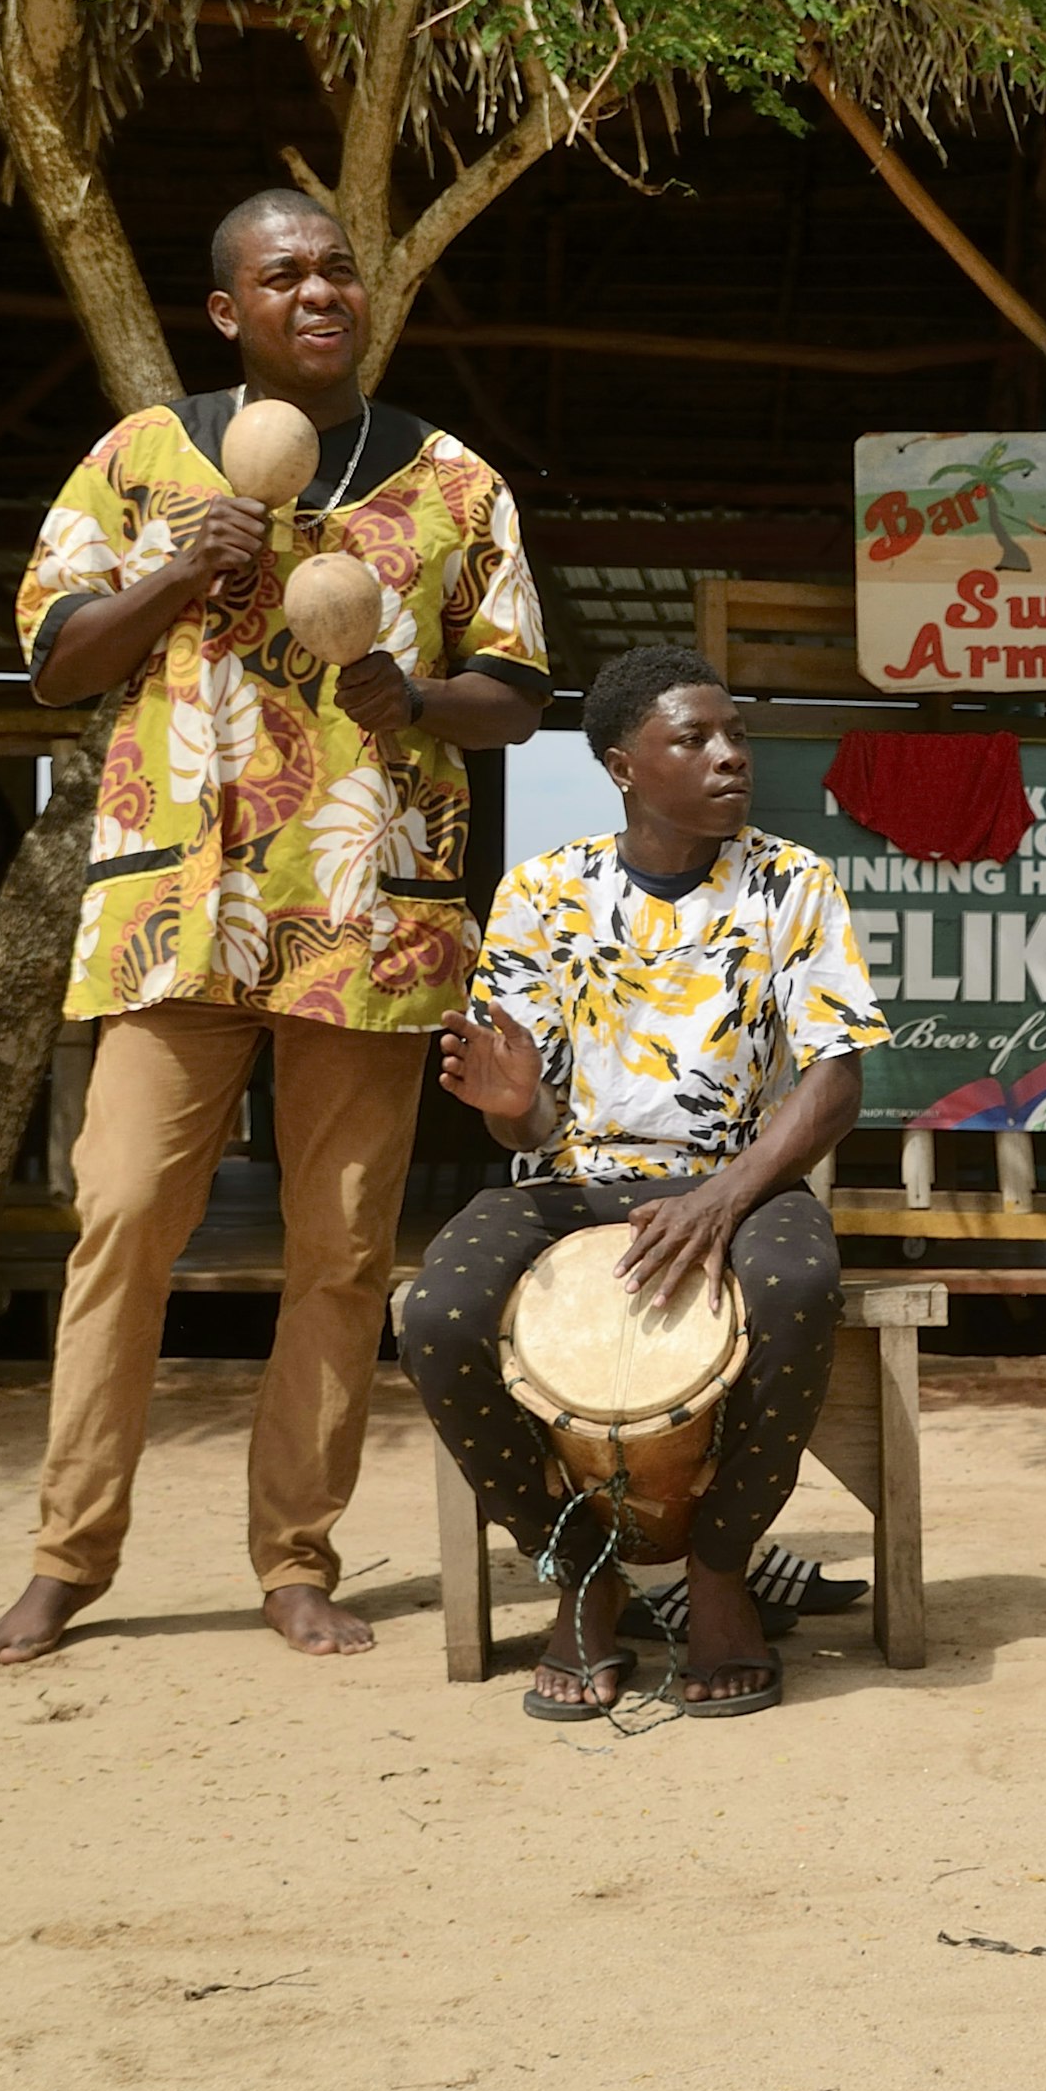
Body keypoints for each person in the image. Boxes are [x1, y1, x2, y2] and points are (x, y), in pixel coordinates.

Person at [0, 189, 549, 1666]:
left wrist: (417, 702)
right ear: (226, 311)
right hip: (181, 910)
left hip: (366, 910)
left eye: (338, 269)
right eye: (282, 273)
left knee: (342, 1247)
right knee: (121, 1220)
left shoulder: (451, 479)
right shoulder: (140, 459)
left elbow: (522, 689)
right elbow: (50, 661)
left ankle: (297, 1556)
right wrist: (177, 567)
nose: (320, 290)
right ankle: (68, 1553)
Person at [401, 648, 887, 1718]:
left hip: (743, 1181)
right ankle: (581, 1572)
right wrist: (512, 1104)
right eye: (695, 739)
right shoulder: (541, 892)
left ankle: (719, 1575)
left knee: (801, 1291)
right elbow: (526, 1118)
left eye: (736, 737)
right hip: (570, 1185)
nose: (730, 758)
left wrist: (724, 1199)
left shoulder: (791, 883)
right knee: (434, 1315)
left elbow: (835, 1081)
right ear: (625, 766)